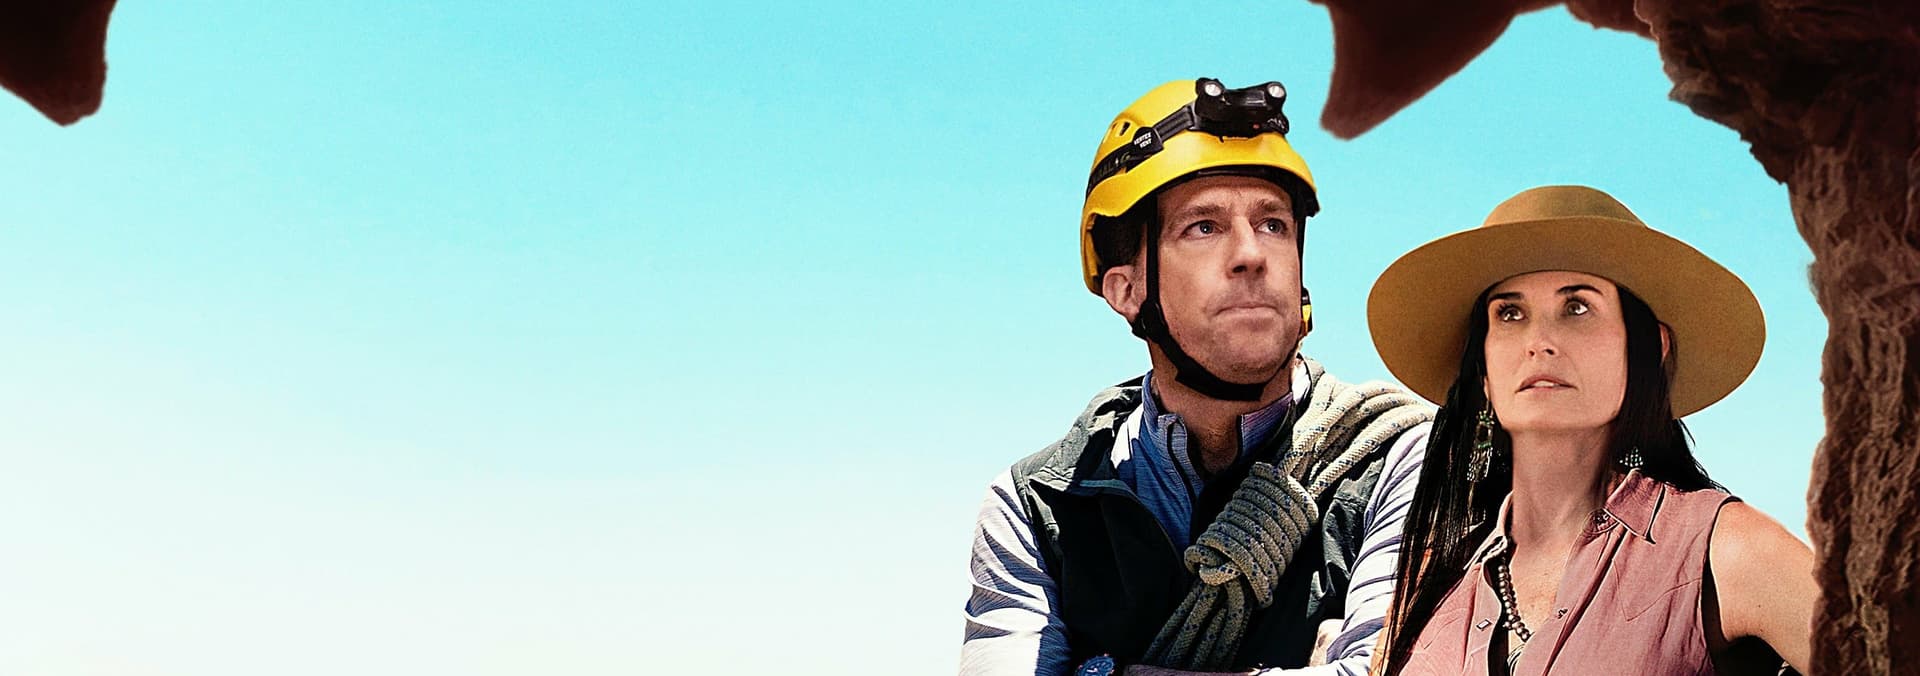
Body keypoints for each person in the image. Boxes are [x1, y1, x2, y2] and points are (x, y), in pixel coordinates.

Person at [961, 78, 1434, 675]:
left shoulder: (1403, 457)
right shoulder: (1036, 505)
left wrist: (1105, 671)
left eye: (1273, 225)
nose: (1252, 255)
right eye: (1203, 227)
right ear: (1127, 289)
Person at [1364, 185, 1817, 675]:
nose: (1539, 341)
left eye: (1577, 307)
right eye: (1509, 313)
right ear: (1483, 373)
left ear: (1648, 348)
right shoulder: (1433, 579)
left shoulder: (1723, 548)